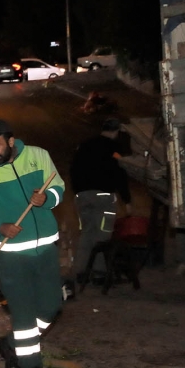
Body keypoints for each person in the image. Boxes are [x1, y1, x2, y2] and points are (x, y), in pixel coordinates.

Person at [0, 119, 66, 368]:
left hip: (45, 248)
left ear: (10, 141)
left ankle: (11, 343)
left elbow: (58, 187)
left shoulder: (39, 156)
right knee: (24, 314)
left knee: (51, 306)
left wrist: (47, 199)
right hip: (9, 254)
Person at [69, 118, 132, 286]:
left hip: (82, 196)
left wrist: (79, 191)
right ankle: (99, 273)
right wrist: (126, 200)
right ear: (116, 132)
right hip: (103, 196)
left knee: (87, 233)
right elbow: (120, 172)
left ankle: (81, 271)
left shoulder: (84, 145)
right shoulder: (113, 148)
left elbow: (73, 169)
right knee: (103, 236)